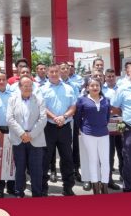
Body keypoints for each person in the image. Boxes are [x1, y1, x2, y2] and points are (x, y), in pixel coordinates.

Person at [39, 63, 77, 196]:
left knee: (67, 158)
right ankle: (43, 188)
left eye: (56, 71)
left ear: (60, 72)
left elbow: (73, 106)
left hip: (65, 127)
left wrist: (64, 117)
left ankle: (68, 188)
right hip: (48, 127)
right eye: (51, 72)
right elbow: (42, 107)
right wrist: (55, 118)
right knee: (45, 158)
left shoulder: (69, 88)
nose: (54, 74)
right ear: (47, 74)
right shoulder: (42, 89)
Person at [7, 75, 48, 197]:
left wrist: (31, 134)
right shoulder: (12, 99)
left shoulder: (39, 99)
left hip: (35, 138)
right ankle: (19, 192)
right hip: (18, 138)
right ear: (20, 87)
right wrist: (21, 134)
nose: (28, 88)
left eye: (30, 85)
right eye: (25, 86)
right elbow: (10, 119)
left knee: (36, 169)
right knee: (20, 168)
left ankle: (37, 193)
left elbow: (43, 118)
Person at [75, 78, 111, 194]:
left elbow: (107, 118)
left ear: (100, 87)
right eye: (92, 86)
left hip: (103, 133)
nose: (95, 88)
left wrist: (102, 126)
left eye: (97, 85)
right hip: (88, 133)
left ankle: (104, 187)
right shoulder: (82, 100)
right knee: (93, 160)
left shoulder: (106, 100)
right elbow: (78, 118)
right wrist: (82, 129)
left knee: (105, 161)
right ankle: (95, 187)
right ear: (87, 88)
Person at [102, 68, 123, 190]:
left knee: (122, 151)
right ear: (105, 77)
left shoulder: (121, 89)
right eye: (108, 76)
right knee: (109, 153)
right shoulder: (102, 89)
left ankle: (124, 175)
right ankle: (109, 179)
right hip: (107, 123)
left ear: (115, 77)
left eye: (112, 76)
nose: (110, 78)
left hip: (120, 122)